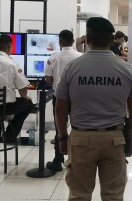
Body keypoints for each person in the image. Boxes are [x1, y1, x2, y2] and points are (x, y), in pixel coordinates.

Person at [54, 17, 132, 201]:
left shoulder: (73, 67)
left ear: (88, 39)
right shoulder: (125, 69)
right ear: (112, 39)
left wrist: (62, 137)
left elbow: (60, 107)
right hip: (114, 139)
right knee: (113, 198)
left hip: (81, 139)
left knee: (79, 198)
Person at [44, 30, 82, 172]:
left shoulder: (52, 58)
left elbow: (48, 79)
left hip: (59, 98)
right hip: (78, 98)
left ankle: (58, 160)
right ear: (73, 41)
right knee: (78, 128)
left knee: (60, 129)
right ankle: (77, 159)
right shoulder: (81, 57)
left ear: (60, 41)